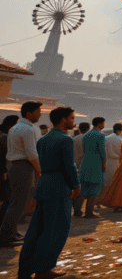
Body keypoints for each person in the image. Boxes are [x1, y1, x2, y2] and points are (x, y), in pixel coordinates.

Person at [18, 106, 79, 279]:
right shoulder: (65, 140)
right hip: (59, 187)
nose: (73, 122)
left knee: (36, 230)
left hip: (44, 185)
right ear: (63, 120)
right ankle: (44, 268)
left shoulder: (43, 139)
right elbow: (69, 166)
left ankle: (26, 268)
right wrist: (76, 185)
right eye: (72, 118)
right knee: (56, 230)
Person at [0, 101, 42, 247]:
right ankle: (6, 235)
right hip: (23, 166)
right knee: (18, 204)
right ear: (30, 114)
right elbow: (31, 154)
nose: (40, 115)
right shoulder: (27, 129)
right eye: (38, 112)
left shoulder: (16, 128)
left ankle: (12, 232)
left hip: (15, 166)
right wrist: (39, 170)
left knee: (15, 202)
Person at [71, 121, 90, 216]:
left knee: (75, 186)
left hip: (75, 162)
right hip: (85, 164)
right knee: (83, 187)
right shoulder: (88, 138)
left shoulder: (74, 139)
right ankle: (78, 209)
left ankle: (76, 208)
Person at [104, 123, 122, 191]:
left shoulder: (106, 138)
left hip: (107, 161)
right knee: (115, 181)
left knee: (107, 180)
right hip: (117, 161)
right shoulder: (121, 140)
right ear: (120, 130)